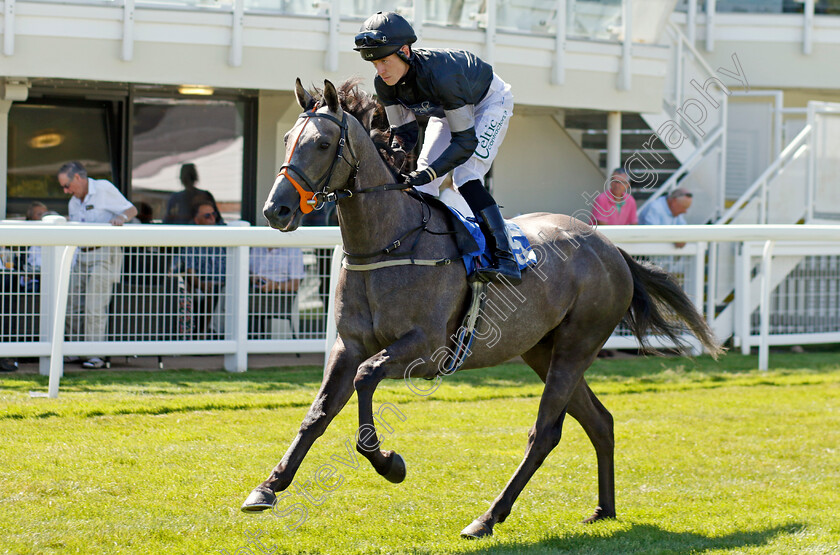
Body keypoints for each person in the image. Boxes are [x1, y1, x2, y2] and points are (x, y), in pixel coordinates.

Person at [354, 11, 521, 284]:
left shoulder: (442, 75)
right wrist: (391, 159)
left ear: (405, 51)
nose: (380, 71)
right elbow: (405, 134)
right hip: (447, 110)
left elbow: (465, 143)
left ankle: (505, 257)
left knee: (465, 177)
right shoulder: (383, 85)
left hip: (489, 102)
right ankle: (423, 250)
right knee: (422, 186)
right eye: (374, 63)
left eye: (385, 61)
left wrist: (432, 171)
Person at [58, 161, 138, 369]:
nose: (66, 191)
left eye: (67, 185)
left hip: (103, 253)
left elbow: (131, 210)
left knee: (95, 305)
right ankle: (75, 350)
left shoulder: (103, 188)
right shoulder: (73, 203)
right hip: (79, 254)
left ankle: (94, 355)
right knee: (72, 304)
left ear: (78, 178)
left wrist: (120, 218)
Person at [179, 201, 226, 338]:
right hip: (201, 284)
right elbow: (190, 272)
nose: (212, 219)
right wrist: (201, 284)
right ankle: (200, 334)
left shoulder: (225, 236)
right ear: (197, 220)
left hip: (225, 284)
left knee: (218, 290)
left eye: (214, 215)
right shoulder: (192, 240)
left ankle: (207, 333)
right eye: (207, 216)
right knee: (207, 291)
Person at [248, 247, 306, 339]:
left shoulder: (294, 251)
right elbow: (249, 271)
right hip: (253, 292)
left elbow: (295, 285)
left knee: (242, 303)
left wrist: (275, 285)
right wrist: (253, 278)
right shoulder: (256, 247)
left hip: (279, 295)